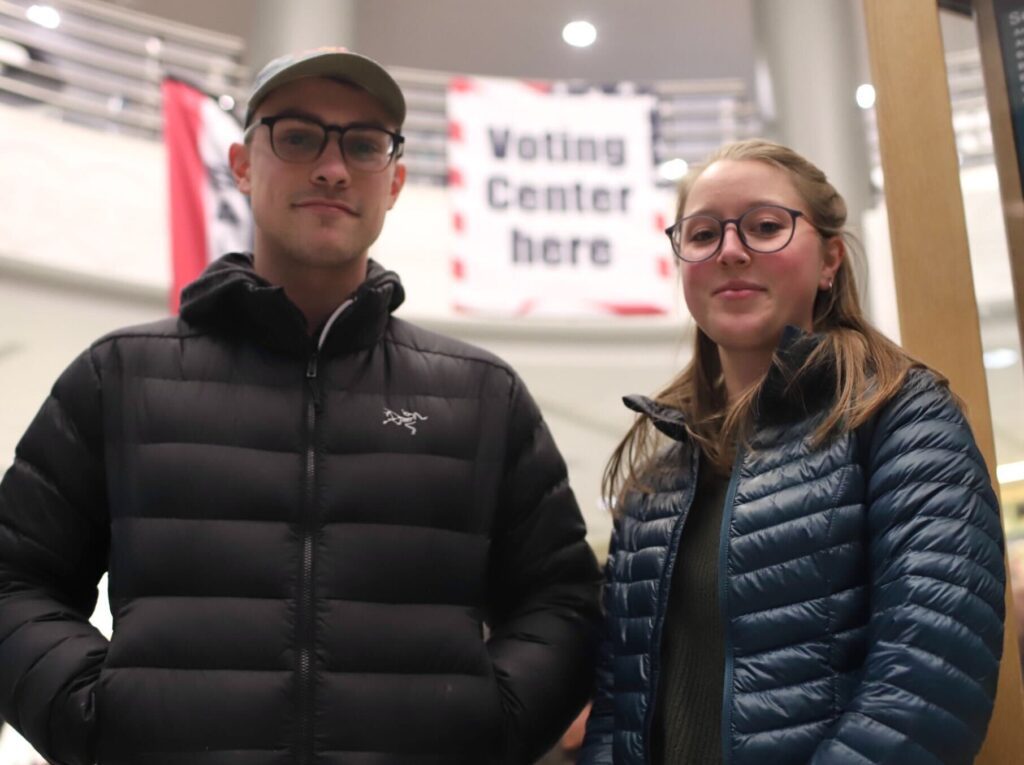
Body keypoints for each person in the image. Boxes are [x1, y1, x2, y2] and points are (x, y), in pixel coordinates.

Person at [0, 48, 602, 765]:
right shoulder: (120, 375)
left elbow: (562, 600)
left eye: (364, 143)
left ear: (396, 179)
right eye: (297, 136)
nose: (332, 167)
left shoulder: (480, 394)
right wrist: (100, 720)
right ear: (244, 163)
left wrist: (485, 725)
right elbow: (15, 578)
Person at [579, 139, 1006, 765]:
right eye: (701, 235)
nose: (730, 250)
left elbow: (933, 669)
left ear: (830, 259)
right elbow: (617, 708)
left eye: (766, 226)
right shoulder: (659, 472)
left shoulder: (899, 413)